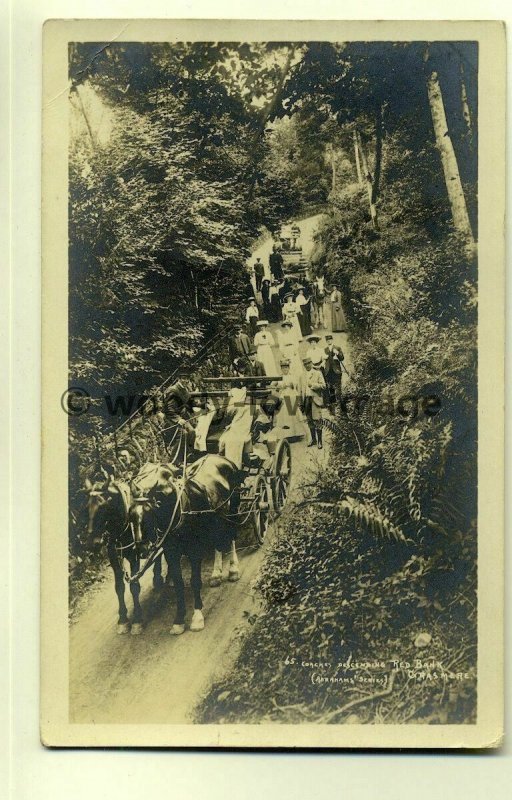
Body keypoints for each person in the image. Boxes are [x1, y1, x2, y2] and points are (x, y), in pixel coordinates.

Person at [272, 358, 307, 439]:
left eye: (286, 368)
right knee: (284, 415)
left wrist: (292, 385)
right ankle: (286, 434)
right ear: (281, 369)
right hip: (284, 397)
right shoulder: (279, 377)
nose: (285, 369)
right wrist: (279, 387)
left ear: (289, 368)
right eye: (283, 368)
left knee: (293, 414)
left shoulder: (292, 376)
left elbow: (296, 386)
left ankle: (296, 433)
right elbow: (273, 386)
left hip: (292, 396)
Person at [300, 356, 326, 449]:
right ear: (303, 365)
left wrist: (313, 385)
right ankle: (313, 439)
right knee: (309, 420)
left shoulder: (317, 373)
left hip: (315, 399)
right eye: (305, 364)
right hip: (306, 400)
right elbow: (301, 390)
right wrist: (301, 403)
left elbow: (323, 386)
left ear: (311, 363)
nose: (307, 365)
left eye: (308, 363)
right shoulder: (302, 376)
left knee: (317, 420)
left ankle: (320, 441)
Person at [324, 334, 345, 412]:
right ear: (326, 341)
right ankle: (333, 408)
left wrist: (337, 353)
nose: (329, 341)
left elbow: (342, 358)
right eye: (327, 340)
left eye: (330, 340)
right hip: (328, 372)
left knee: (338, 388)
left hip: (336, 371)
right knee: (331, 389)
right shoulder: (325, 350)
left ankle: (342, 406)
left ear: (332, 340)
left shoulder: (337, 348)